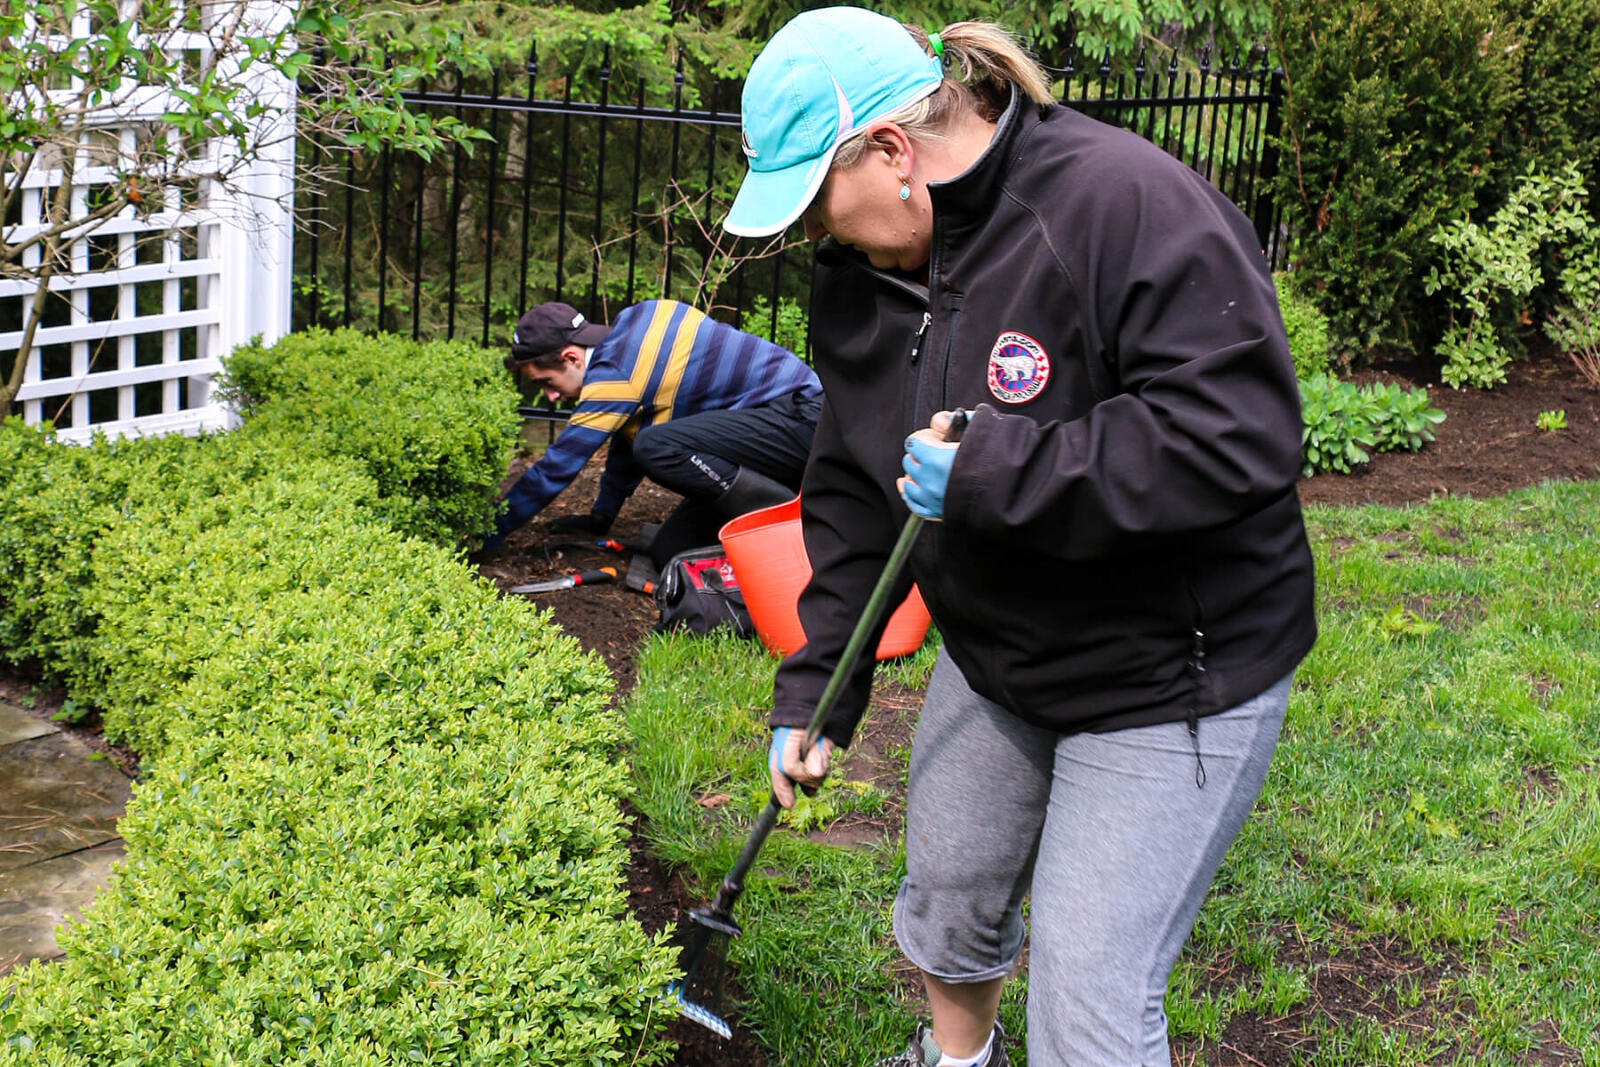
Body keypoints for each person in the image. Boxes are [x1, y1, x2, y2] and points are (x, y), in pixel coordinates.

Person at [724, 9, 1317, 1067]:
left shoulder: (1117, 202)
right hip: (1003, 654)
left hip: (1166, 667)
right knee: (947, 899)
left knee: (1087, 1007)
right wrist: (816, 691)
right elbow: (856, 495)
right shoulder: (861, 283)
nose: (817, 234)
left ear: (893, 152)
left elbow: (1238, 437)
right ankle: (958, 1060)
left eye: (818, 204)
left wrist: (1000, 470)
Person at [482, 299, 822, 567]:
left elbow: (554, 469)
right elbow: (626, 435)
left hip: (800, 419)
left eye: (546, 383)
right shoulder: (638, 321)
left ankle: (788, 515)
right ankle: (770, 511)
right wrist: (601, 517)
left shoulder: (614, 377)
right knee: (669, 550)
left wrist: (488, 533)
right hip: (776, 427)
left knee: (656, 445)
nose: (551, 397)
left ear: (571, 357)